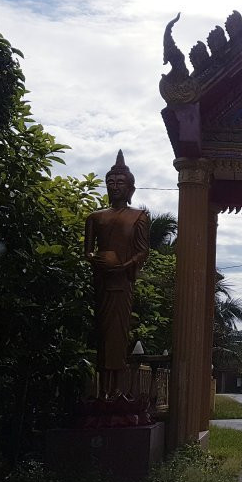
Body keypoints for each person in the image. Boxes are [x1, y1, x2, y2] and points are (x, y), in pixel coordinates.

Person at [84, 150, 149, 392]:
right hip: (102, 280)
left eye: (120, 183)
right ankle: (102, 390)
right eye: (110, 183)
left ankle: (117, 389)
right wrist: (95, 260)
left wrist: (124, 266)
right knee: (102, 332)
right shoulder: (95, 217)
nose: (114, 187)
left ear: (131, 189)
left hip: (122, 282)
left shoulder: (138, 217)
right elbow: (88, 251)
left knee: (118, 334)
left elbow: (143, 251)